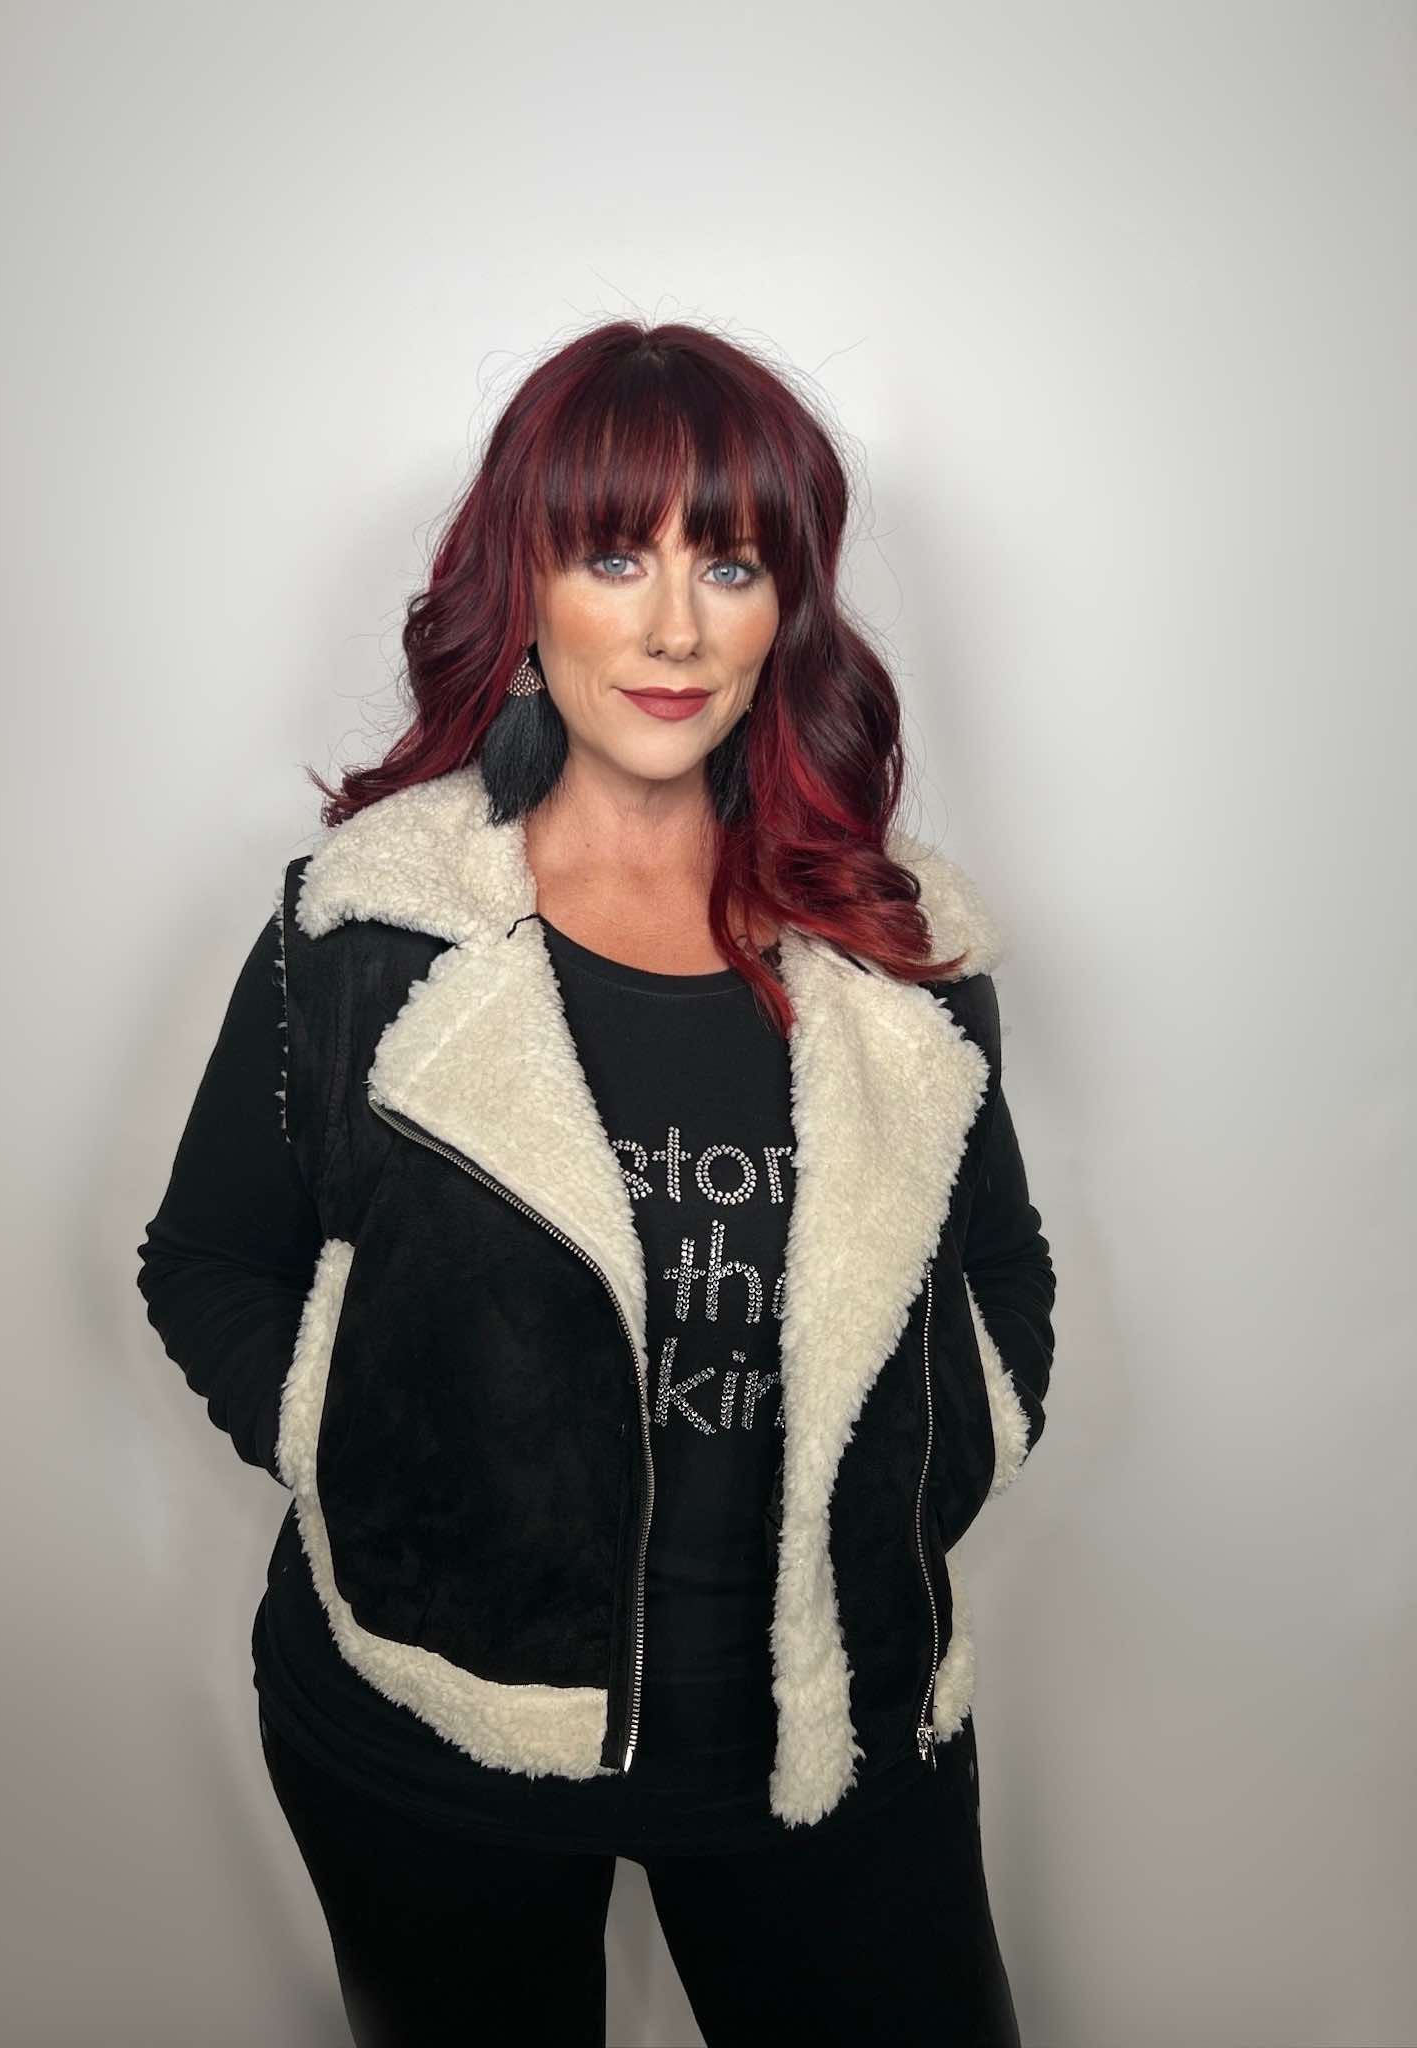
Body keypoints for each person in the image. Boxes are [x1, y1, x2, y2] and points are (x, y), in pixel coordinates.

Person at [136, 318, 1057, 2047]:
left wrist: (952, 1465)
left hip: (831, 1737)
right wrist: (361, 1462)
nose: (676, 627)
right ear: (528, 585)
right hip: (431, 1740)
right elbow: (206, 1259)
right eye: (617, 555)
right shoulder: (370, 935)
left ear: (788, 610)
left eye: (734, 563)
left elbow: (996, 1264)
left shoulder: (894, 950)